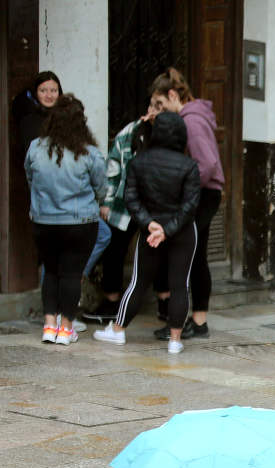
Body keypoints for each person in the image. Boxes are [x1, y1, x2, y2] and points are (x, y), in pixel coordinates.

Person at [95, 109, 198, 352]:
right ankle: (175, 340)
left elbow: (131, 199)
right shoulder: (189, 165)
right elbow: (190, 206)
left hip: (150, 231)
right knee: (180, 284)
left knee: (138, 282)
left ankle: (118, 330)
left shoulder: (139, 162)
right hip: (182, 232)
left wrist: (150, 224)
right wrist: (168, 230)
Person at [148, 69, 223, 341]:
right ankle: (190, 318)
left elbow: (208, 164)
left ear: (172, 95)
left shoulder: (191, 121)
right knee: (193, 254)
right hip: (201, 193)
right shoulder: (189, 117)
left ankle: (197, 320)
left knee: (193, 255)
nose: (158, 110)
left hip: (203, 194)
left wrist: (185, 188)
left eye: (160, 104)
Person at [25, 93, 104, 346]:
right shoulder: (89, 153)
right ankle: (66, 328)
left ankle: (49, 325)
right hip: (79, 222)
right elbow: (101, 187)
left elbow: (31, 179)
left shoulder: (35, 147)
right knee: (71, 274)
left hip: (43, 221)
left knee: (50, 271)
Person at [91, 104, 154, 327]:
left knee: (161, 250)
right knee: (114, 249)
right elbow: (113, 169)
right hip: (124, 203)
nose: (154, 112)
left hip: (156, 205)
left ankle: (165, 303)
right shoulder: (128, 133)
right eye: (152, 106)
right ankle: (111, 302)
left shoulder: (170, 132)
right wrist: (106, 203)